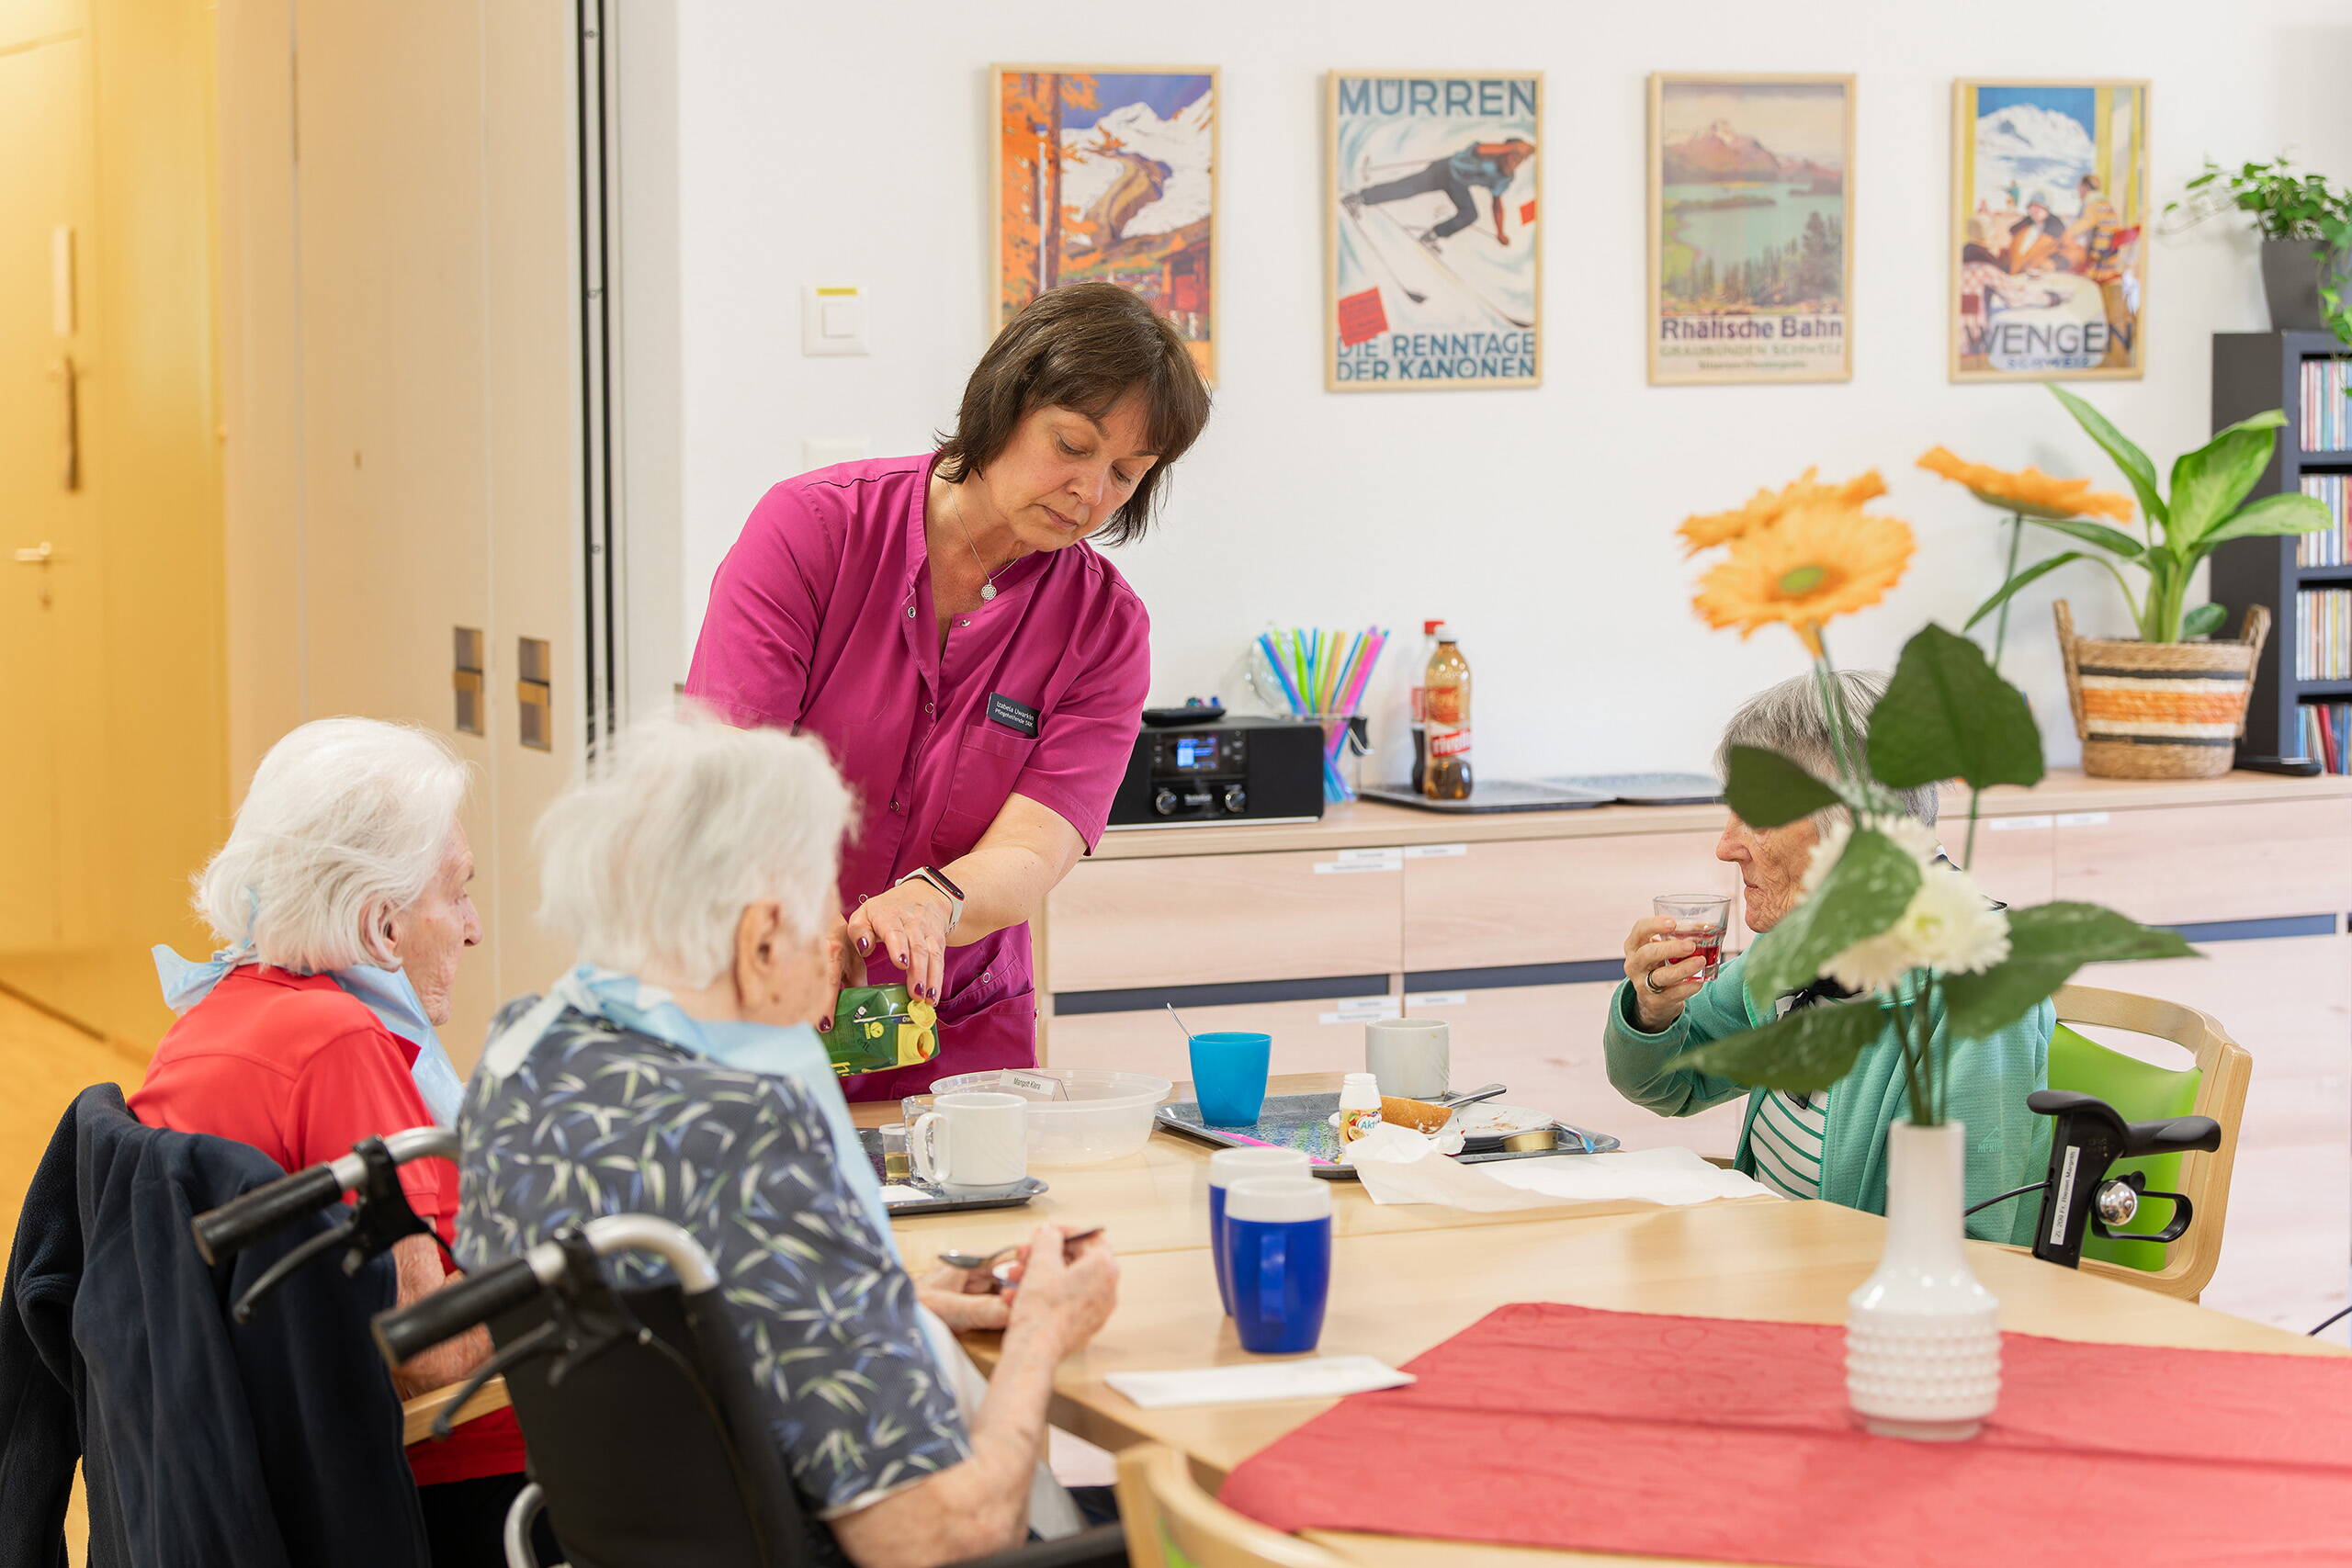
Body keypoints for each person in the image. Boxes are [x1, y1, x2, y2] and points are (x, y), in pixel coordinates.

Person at [458, 710, 1121, 1566]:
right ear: (762, 938)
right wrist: (1040, 1333)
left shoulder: (522, 1057)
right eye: (824, 908)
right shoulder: (750, 1126)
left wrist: (888, 1299)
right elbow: (936, 1535)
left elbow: (697, 1325)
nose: (840, 942)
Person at [686, 279, 1213, 1100]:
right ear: (1005, 403)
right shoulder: (812, 530)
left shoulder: (1104, 629)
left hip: (956, 1033)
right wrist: (814, 914)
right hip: (760, 995)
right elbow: (735, 769)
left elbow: (1037, 845)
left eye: (1126, 473)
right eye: (1072, 446)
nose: (1092, 493)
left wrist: (936, 900)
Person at [130, 716, 529, 1563]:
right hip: (449, 1488)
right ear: (381, 923)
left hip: (260, 1491)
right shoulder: (337, 1046)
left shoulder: (213, 1019)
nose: (473, 925)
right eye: (455, 891)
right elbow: (430, 1350)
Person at [1605, 672, 2052, 1245]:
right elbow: (1669, 1086)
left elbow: (1966, 1251)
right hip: (1772, 1270)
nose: (1725, 845)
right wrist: (1653, 1010)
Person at [1342, 137, 1534, 251]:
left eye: (1521, 160)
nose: (1516, 162)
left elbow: (1497, 203)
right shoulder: (1486, 153)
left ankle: (1432, 236)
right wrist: (1514, 147)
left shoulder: (1504, 177)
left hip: (1458, 184)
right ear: (1504, 151)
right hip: (1444, 170)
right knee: (1407, 188)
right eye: (1515, 156)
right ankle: (1358, 199)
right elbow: (1481, 149)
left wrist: (1500, 231)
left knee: (1470, 214)